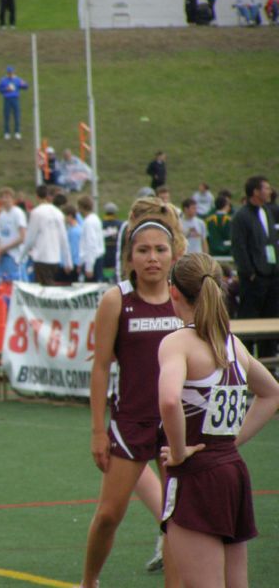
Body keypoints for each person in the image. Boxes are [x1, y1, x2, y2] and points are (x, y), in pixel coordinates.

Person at [79, 198, 187, 588]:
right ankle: (89, 582)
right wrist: (97, 430)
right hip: (131, 423)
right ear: (130, 257)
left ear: (174, 254)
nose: (152, 258)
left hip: (178, 423)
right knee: (109, 514)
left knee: (176, 521)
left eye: (160, 250)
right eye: (143, 250)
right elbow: (101, 365)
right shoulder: (116, 300)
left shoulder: (185, 299)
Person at [157, 253, 279, 587]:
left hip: (196, 477)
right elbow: (272, 394)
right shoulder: (233, 345)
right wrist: (231, 442)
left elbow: (169, 400)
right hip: (232, 471)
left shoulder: (177, 342)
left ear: (174, 292)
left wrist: (179, 452)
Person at [230, 175, 279, 359]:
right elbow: (239, 247)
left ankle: (269, 364)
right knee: (249, 321)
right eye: (266, 188)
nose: (270, 191)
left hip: (272, 277)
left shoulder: (266, 211)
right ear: (255, 192)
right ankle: (245, 363)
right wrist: (249, 273)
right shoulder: (241, 216)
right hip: (253, 279)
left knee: (271, 321)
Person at [20, 185, 71, 286]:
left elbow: (30, 239)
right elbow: (64, 239)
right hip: (55, 259)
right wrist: (68, 261)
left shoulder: (36, 213)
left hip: (41, 258)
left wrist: (21, 256)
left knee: (43, 290)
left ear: (37, 196)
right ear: (48, 196)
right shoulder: (58, 213)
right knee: (50, 286)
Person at [0, 187, 27, 283]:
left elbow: (22, 237)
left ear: (12, 199)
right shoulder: (1, 216)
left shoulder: (18, 213)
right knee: (5, 284)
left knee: (18, 284)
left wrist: (4, 248)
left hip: (15, 256)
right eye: (2, 197)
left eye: (7, 197)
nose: (4, 200)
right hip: (4, 255)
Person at [77, 195, 105, 282]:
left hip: (92, 261)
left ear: (82, 207)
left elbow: (90, 245)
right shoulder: (95, 219)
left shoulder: (88, 222)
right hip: (97, 259)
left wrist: (89, 268)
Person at [0, 65, 28, 140]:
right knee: (6, 116)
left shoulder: (17, 79)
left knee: (16, 115)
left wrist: (24, 84)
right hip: (7, 99)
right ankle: (7, 132)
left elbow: (25, 86)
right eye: (9, 73)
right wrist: (6, 89)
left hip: (15, 99)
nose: (10, 74)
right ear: (7, 73)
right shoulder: (3, 80)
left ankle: (17, 132)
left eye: (11, 72)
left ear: (13, 72)